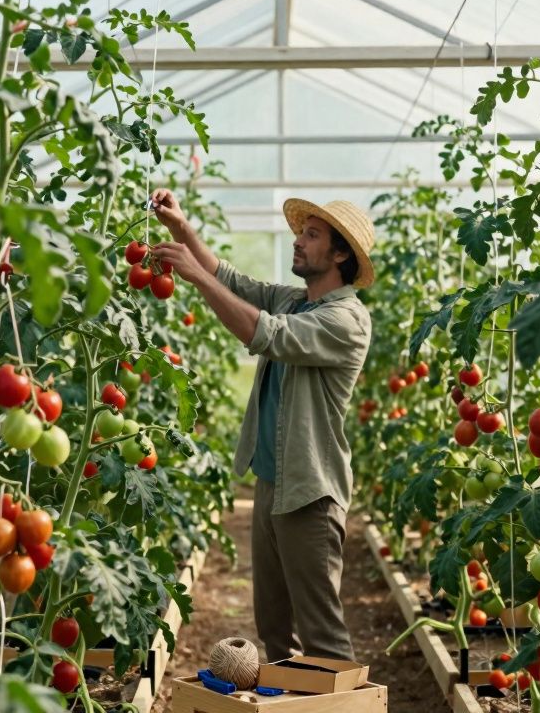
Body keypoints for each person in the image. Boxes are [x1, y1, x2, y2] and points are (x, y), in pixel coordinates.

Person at [149, 191, 374, 663]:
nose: (298, 240)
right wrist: (180, 228)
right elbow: (229, 278)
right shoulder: (295, 301)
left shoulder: (346, 320)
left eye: (311, 235)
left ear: (339, 255)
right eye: (300, 231)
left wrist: (193, 277)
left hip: (311, 494)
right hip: (273, 484)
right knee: (274, 630)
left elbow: (264, 334)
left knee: (322, 636)